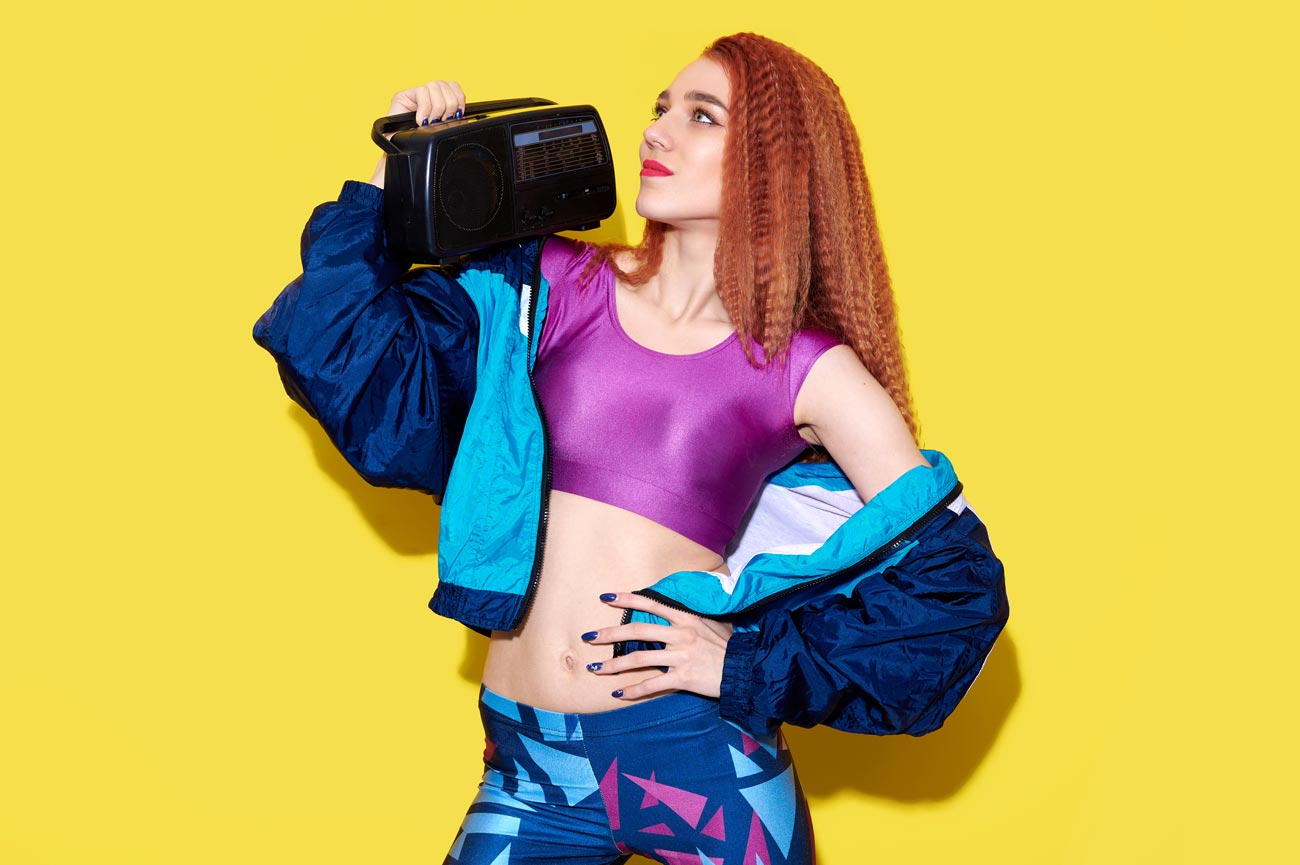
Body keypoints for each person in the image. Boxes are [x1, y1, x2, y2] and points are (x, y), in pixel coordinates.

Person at [254, 32, 1007, 865]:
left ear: (776, 165)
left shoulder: (807, 368)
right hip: (529, 770)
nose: (656, 131)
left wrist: (740, 664)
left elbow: (956, 588)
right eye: (660, 107)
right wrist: (395, 175)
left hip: (701, 761)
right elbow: (338, 347)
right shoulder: (545, 288)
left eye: (701, 115)